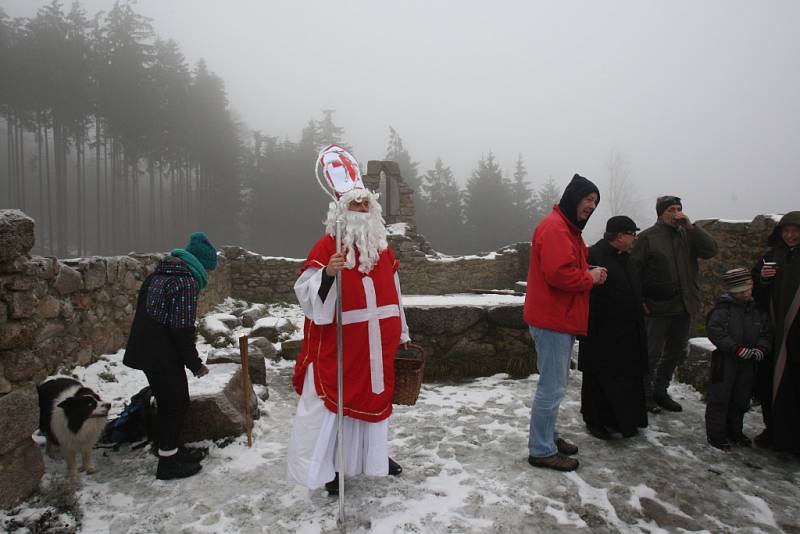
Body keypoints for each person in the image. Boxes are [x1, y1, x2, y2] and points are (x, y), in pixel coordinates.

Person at [287, 145, 410, 495]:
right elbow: (309, 298)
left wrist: (401, 332)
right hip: (340, 349)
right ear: (340, 210)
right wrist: (328, 274)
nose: (360, 208)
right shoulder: (327, 247)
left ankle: (374, 457)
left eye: (365, 204)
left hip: (376, 346)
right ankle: (329, 471)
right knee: (332, 411)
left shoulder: (383, 250)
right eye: (354, 204)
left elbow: (394, 294)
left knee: (373, 403)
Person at [524, 173, 606, 472]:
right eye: (588, 199)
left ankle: (548, 436)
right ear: (574, 197)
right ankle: (541, 449)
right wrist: (590, 278)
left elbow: (567, 265)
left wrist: (588, 269)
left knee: (555, 385)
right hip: (553, 319)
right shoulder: (557, 229)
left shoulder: (567, 228)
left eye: (595, 202)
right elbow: (558, 274)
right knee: (552, 387)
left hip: (558, 317)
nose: (591, 206)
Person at [123, 232, 216, 480]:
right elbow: (181, 328)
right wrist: (196, 365)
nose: (209, 274)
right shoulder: (186, 281)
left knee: (168, 402)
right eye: (209, 268)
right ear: (201, 264)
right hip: (161, 352)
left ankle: (171, 450)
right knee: (176, 403)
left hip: (146, 348)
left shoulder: (160, 273)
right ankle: (168, 463)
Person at [630, 196, 718, 413]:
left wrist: (692, 227)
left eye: (679, 209)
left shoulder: (686, 234)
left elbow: (711, 250)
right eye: (671, 209)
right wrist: (640, 300)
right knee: (651, 354)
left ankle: (661, 390)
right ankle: (644, 394)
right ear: (660, 213)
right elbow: (633, 271)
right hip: (657, 307)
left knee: (675, 352)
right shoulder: (647, 238)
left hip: (684, 305)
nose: (676, 213)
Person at [578, 215, 648, 440]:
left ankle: (623, 421)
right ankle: (596, 422)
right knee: (599, 380)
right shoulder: (593, 255)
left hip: (628, 331)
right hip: (602, 333)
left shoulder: (624, 257)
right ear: (618, 236)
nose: (635, 238)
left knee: (625, 380)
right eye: (632, 234)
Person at [705, 268, 771, 450]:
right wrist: (734, 348)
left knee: (741, 399)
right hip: (726, 361)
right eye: (740, 292)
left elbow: (766, 332)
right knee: (720, 398)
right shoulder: (723, 309)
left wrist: (761, 348)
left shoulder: (757, 310)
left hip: (748, 362)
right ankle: (716, 435)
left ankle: (735, 431)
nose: (744, 294)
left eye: (747, 290)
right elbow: (715, 331)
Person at [751, 211, 800, 452]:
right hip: (773, 327)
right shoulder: (771, 256)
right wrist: (763, 279)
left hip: (797, 331)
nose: (791, 236)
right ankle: (774, 430)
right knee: (770, 380)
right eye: (786, 231)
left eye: (795, 231)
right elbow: (756, 289)